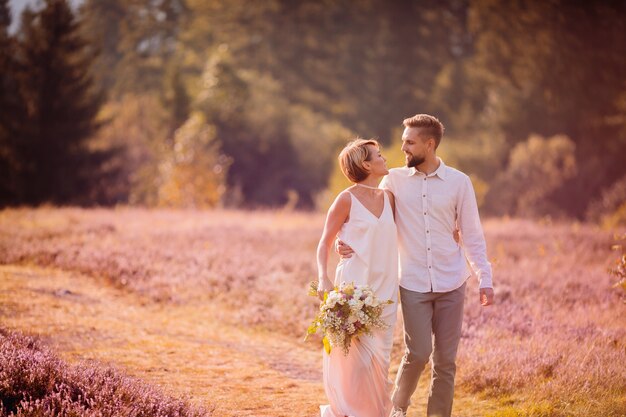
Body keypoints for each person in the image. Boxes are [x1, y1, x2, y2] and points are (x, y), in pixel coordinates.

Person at [338, 114, 494, 417]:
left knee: (446, 361)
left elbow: (473, 234)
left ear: (429, 143)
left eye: (409, 142)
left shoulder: (459, 183)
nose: (403, 148)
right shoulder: (392, 180)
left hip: (452, 282)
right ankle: (398, 407)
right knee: (419, 352)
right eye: (402, 142)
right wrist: (342, 241)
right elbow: (368, 216)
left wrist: (484, 278)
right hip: (412, 283)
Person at [316, 138, 399, 417]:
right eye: (379, 155)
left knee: (380, 358)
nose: (384, 158)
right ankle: (351, 412)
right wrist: (324, 278)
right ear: (366, 164)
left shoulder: (389, 198)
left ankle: (373, 412)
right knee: (352, 359)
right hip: (354, 291)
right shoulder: (346, 199)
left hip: (386, 291)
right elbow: (324, 243)